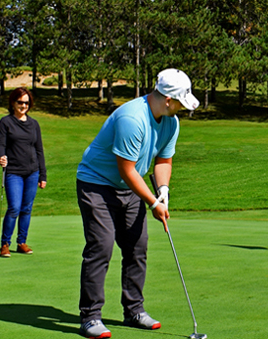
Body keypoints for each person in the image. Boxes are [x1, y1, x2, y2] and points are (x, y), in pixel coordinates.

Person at [76, 68, 199, 339]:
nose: (183, 108)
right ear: (168, 98)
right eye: (181, 101)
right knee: (102, 246)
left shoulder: (171, 122)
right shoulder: (132, 118)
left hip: (129, 187)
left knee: (137, 247)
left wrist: (163, 190)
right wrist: (153, 202)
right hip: (97, 184)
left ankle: (133, 311)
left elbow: (163, 161)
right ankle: (90, 316)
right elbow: (127, 170)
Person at [0, 87, 47, 258]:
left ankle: (21, 242)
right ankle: (5, 244)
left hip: (32, 171)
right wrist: (1, 156)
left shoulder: (34, 124)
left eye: (26, 102)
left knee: (27, 208)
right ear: (13, 103)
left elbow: (39, 149)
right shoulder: (6, 122)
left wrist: (42, 175)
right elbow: (0, 145)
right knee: (14, 208)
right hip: (13, 172)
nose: (24, 105)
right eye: (20, 102)